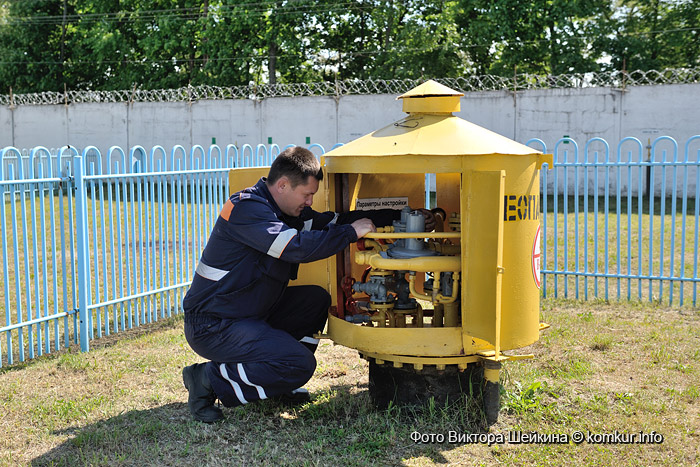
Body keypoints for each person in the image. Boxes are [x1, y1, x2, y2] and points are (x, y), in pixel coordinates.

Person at [182, 146, 433, 423]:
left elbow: (334, 221)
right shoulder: (246, 208)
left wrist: (406, 216)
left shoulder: (286, 212)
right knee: (299, 364)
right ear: (283, 185)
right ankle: (206, 379)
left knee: (314, 299)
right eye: (307, 194)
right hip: (214, 324)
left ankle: (278, 382)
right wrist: (351, 233)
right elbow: (294, 247)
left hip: (248, 313)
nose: (310, 202)